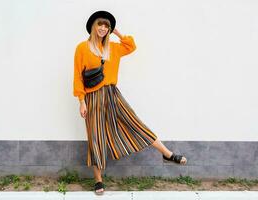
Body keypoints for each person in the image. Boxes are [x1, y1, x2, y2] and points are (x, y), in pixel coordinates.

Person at [73, 10, 187, 195]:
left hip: (112, 94)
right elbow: (78, 76)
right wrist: (81, 101)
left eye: (106, 26)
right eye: (100, 24)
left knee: (134, 123)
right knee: (95, 137)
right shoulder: (82, 48)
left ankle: (167, 154)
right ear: (93, 26)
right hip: (93, 97)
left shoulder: (114, 48)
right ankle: (98, 180)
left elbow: (131, 46)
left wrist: (117, 32)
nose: (103, 28)